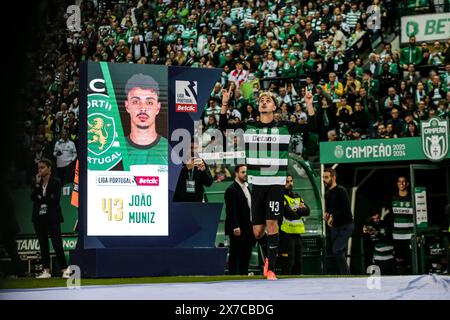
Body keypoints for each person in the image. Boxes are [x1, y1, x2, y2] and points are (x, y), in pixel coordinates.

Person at [220, 86, 315, 280]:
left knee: (272, 223)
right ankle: (269, 256)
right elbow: (224, 127)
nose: (263, 102)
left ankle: (271, 268)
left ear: (275, 107)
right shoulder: (249, 126)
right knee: (257, 232)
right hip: (257, 184)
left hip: (276, 183)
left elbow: (312, 127)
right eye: (261, 100)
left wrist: (309, 104)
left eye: (268, 100)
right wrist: (224, 104)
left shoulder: (284, 127)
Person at [31, 159, 70, 279]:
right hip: (39, 217)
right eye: (39, 168)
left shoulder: (56, 182)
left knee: (57, 243)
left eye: (42, 167)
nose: (40, 170)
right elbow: (33, 197)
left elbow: (54, 200)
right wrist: (38, 185)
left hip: (52, 217)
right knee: (43, 245)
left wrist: (41, 197)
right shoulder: (36, 182)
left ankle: (64, 269)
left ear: (49, 168)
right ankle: (46, 271)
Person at [124, 73, 168, 167]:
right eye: (136, 101)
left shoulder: (170, 149)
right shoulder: (115, 150)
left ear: (158, 107)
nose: (143, 108)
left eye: (149, 102)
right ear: (127, 106)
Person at [224, 165, 255, 275]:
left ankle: (244, 274)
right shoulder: (231, 190)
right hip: (238, 228)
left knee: (246, 253)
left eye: (246, 172)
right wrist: (235, 226)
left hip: (248, 226)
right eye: (243, 172)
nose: (245, 174)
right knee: (235, 253)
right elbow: (231, 211)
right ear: (236, 174)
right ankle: (232, 275)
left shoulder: (247, 188)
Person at [323, 168, 354, 275]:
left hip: (346, 225)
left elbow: (345, 208)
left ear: (333, 177)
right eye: (323, 177)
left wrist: (332, 215)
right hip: (335, 227)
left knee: (337, 250)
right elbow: (329, 210)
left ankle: (346, 274)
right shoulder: (327, 194)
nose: (324, 180)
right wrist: (327, 215)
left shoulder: (341, 190)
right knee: (336, 251)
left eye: (326, 177)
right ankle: (343, 274)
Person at [278, 175, 310, 275]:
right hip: (286, 234)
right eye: (287, 181)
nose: (290, 183)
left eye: (291, 181)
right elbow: (289, 214)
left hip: (297, 234)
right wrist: (299, 209)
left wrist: (296, 210)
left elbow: (307, 210)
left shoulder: (297, 196)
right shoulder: (280, 197)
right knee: (288, 263)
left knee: (298, 263)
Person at [390, 176, 414, 274]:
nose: (401, 183)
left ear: (407, 184)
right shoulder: (393, 198)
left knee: (410, 263)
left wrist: (416, 234)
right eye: (399, 181)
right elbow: (389, 217)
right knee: (399, 264)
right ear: (397, 184)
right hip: (397, 236)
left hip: (410, 235)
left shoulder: (412, 198)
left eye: (404, 181)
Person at [362, 210, 395, 275]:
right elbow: (368, 243)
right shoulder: (368, 226)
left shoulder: (384, 224)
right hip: (378, 258)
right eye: (374, 219)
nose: (376, 220)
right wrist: (365, 233)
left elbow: (388, 239)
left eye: (378, 218)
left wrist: (376, 233)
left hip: (389, 257)